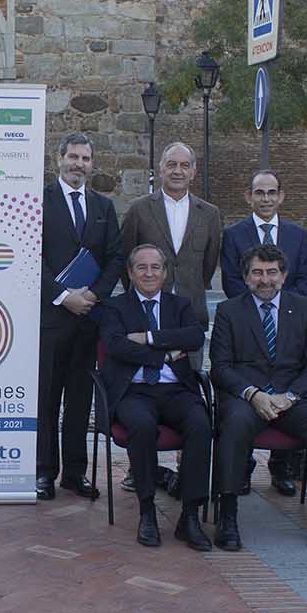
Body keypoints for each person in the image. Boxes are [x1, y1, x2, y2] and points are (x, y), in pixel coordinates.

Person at [209, 245, 307, 555]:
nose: (265, 279)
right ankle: (227, 516)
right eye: (257, 272)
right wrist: (253, 394)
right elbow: (220, 367)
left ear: (284, 276)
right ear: (245, 278)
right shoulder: (229, 311)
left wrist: (291, 397)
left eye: (272, 272)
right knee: (234, 423)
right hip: (248, 398)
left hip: (293, 397)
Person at [118, 142, 220, 492]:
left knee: (186, 389)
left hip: (187, 318)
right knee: (145, 389)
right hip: (145, 314)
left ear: (194, 171)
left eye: (184, 165)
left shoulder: (210, 214)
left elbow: (208, 265)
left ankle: (184, 470)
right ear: (159, 170)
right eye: (171, 164)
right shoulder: (138, 210)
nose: (178, 171)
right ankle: (140, 469)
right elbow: (126, 261)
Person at [98, 245, 211, 549]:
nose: (149, 273)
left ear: (165, 272)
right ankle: (147, 511)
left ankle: (189, 515)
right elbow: (116, 345)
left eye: (155, 267)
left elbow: (195, 336)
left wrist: (149, 338)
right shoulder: (114, 307)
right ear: (131, 273)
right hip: (133, 391)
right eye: (142, 268)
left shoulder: (180, 305)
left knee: (201, 423)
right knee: (142, 426)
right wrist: (164, 357)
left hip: (176, 390)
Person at [36, 133, 123, 501]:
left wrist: (93, 295)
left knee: (80, 398)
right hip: (51, 319)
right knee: (47, 397)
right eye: (73, 157)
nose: (78, 164)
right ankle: (43, 472)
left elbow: (116, 257)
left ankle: (74, 473)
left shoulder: (103, 206)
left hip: (88, 317)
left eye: (85, 159)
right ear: (59, 159)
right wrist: (62, 296)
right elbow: (29, 256)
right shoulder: (39, 200)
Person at [221, 168, 307, 496]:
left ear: (281, 196)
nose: (266, 198)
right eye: (259, 192)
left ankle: (282, 467)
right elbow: (231, 281)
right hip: (246, 328)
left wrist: (283, 309)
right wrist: (253, 311)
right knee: (244, 404)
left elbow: (303, 278)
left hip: (288, 324)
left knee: (285, 387)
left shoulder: (297, 235)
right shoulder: (233, 234)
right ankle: (241, 469)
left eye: (271, 192)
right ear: (249, 196)